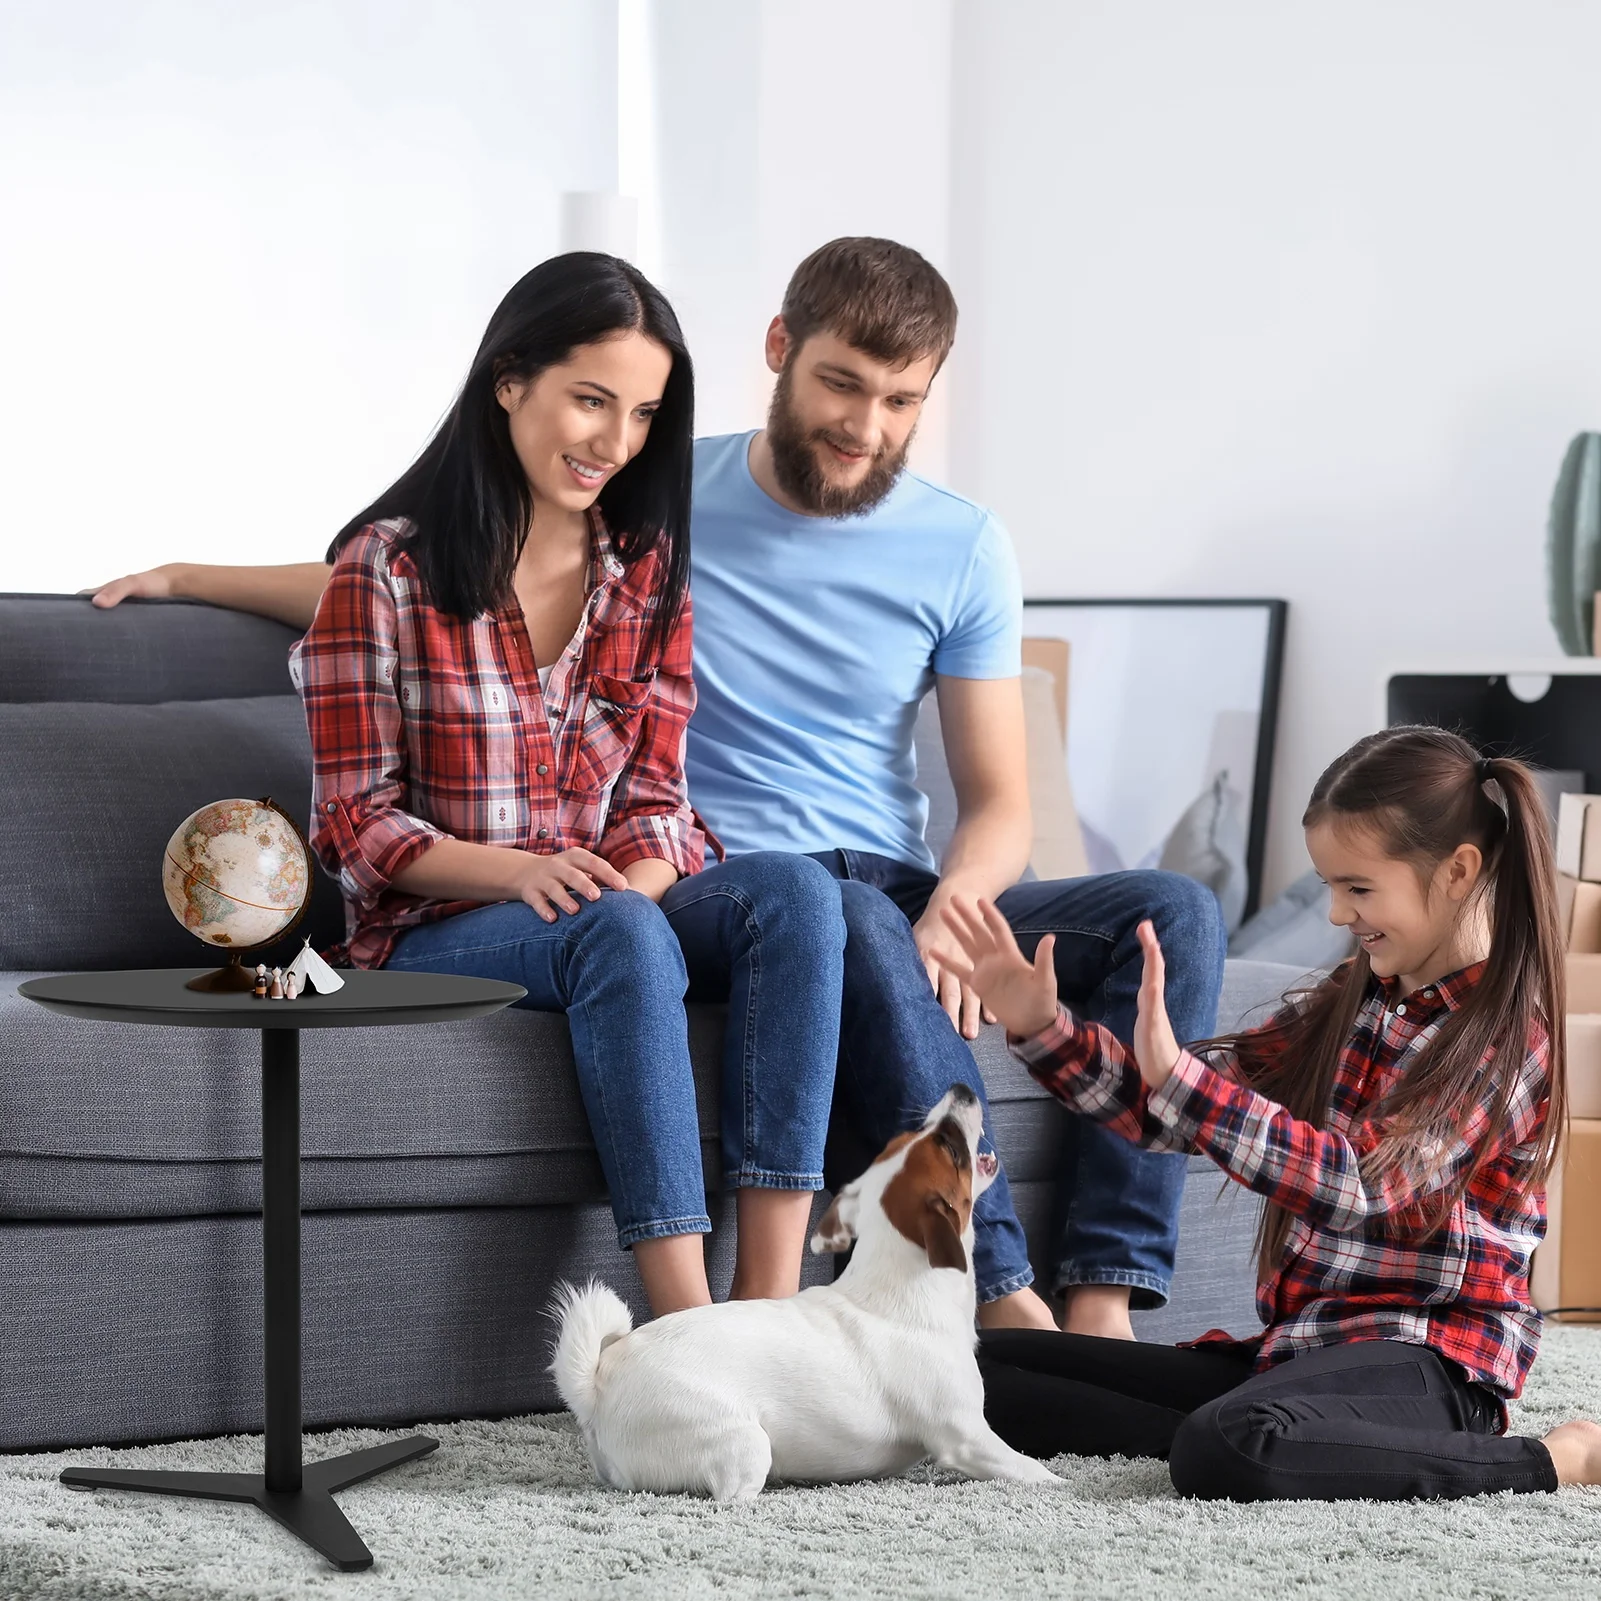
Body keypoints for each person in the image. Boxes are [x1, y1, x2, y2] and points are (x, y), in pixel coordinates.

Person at [91, 238, 1224, 1339]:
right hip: (670, 881)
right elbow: (402, 593)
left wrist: (955, 905)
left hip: (803, 873)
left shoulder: (786, 549)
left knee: (1167, 912)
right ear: (779, 347)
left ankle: (1075, 1298)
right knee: (808, 903)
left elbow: (970, 802)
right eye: (840, 382)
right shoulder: (653, 491)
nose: (862, 425)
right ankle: (983, 1290)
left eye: (898, 401)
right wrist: (191, 575)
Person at [285, 252, 845, 1318]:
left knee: (797, 895)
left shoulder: (644, 569)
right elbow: (352, 825)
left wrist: (636, 879)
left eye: (639, 413)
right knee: (618, 932)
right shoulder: (383, 569)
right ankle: (685, 1331)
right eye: (590, 400)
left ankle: (770, 1310)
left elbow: (657, 796)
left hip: (599, 901)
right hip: (432, 923)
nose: (614, 442)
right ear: (510, 380)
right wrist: (526, 876)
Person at [943, 726, 1601, 1499]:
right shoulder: (1351, 1001)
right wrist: (1043, 1029)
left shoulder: (1504, 1039)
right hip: (1305, 1348)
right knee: (971, 1366)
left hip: (1429, 1359)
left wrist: (1188, 1084)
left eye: (1356, 888)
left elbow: (1358, 1186)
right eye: (1328, 885)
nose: (1333, 913)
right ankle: (1317, 1442)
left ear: (1456, 870)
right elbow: (1172, 1115)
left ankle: (1552, 1459)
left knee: (1230, 1449)